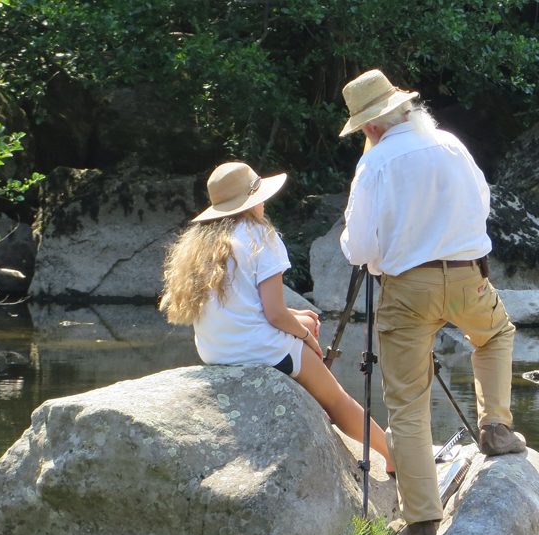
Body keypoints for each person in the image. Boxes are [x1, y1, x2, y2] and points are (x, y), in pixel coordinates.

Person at [339, 69, 525, 535]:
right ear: (405, 109)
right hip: (468, 276)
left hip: (407, 289)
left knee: (407, 402)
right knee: (495, 335)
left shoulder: (375, 162)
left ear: (371, 126)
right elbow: (481, 203)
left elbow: (358, 248)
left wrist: (383, 253)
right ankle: (496, 428)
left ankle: (421, 523)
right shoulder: (450, 144)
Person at [160, 161, 394, 473]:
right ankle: (393, 459)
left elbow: (248, 306)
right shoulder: (259, 236)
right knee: (337, 399)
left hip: (215, 352)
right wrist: (309, 338)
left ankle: (307, 395)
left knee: (304, 320)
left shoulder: (202, 243)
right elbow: (275, 314)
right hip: (259, 349)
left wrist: (300, 320)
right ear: (253, 200)